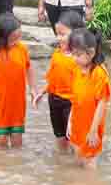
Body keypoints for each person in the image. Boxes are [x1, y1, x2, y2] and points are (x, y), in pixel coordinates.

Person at [0, 13, 35, 149]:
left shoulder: (21, 49)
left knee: (17, 139)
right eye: (13, 38)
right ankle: (0, 167)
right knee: (1, 139)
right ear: (0, 37)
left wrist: (33, 88)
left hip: (18, 103)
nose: (17, 41)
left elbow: (28, 68)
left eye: (19, 37)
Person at [36, 9, 85, 153]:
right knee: (59, 136)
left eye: (63, 34)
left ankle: (75, 166)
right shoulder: (57, 53)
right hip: (54, 100)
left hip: (71, 104)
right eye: (57, 34)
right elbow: (52, 77)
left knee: (74, 138)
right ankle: (62, 163)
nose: (59, 38)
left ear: (76, 34)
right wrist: (42, 91)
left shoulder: (79, 59)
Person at [67, 27, 110, 168]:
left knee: (90, 163)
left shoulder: (99, 73)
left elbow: (102, 104)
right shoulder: (76, 69)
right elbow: (75, 99)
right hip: (77, 123)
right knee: (78, 157)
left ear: (91, 53)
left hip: (91, 126)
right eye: (72, 54)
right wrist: (69, 121)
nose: (74, 58)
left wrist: (93, 131)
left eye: (78, 55)